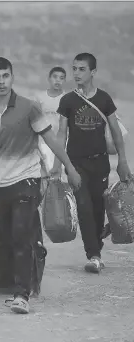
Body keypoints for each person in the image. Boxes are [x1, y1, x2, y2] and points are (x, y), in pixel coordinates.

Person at [0, 57, 81, 314]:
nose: (1, 81)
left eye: (5, 75)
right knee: (10, 237)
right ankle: (35, 260)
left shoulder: (29, 108)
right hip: (0, 184)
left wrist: (69, 167)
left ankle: (21, 294)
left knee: (20, 235)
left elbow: (51, 140)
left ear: (12, 77)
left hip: (27, 180)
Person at [52, 53, 132, 273]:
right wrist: (59, 165)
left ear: (93, 72)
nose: (76, 73)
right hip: (76, 163)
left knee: (98, 209)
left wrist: (122, 161)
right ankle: (94, 255)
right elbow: (61, 134)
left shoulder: (104, 99)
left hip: (101, 163)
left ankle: (98, 243)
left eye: (82, 69)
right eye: (74, 69)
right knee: (84, 207)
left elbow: (116, 132)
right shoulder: (67, 100)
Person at [35, 66, 67, 184]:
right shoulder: (39, 97)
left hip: (61, 144)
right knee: (44, 176)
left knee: (59, 178)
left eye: (61, 78)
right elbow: (34, 121)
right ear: (49, 78)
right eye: (55, 77)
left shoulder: (67, 99)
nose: (58, 80)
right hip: (43, 142)